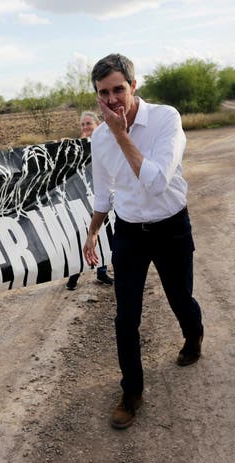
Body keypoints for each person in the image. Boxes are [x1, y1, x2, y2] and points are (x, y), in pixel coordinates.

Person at [82, 54, 203, 429]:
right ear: (97, 96)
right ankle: (131, 392)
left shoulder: (166, 119)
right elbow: (104, 192)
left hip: (171, 226)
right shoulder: (99, 139)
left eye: (119, 89)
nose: (113, 99)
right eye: (104, 93)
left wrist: (121, 135)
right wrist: (93, 230)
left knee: (179, 296)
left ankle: (194, 334)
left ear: (134, 86)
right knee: (124, 317)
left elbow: (155, 182)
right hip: (130, 232)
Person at [66, 111, 113, 290]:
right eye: (83, 125)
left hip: (101, 196)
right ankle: (74, 275)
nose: (85, 127)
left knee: (103, 234)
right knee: (80, 234)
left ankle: (101, 272)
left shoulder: (106, 143)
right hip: (81, 198)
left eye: (89, 124)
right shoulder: (76, 148)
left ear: (98, 125)